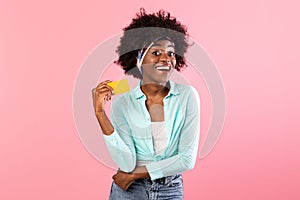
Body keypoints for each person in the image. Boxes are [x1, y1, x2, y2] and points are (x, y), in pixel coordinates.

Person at [92, 8, 200, 200]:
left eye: (171, 53)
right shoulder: (123, 103)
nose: (166, 58)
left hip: (169, 189)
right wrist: (100, 113)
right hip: (129, 191)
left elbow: (186, 159)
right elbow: (126, 163)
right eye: (156, 52)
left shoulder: (187, 96)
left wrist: (135, 174)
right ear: (138, 58)